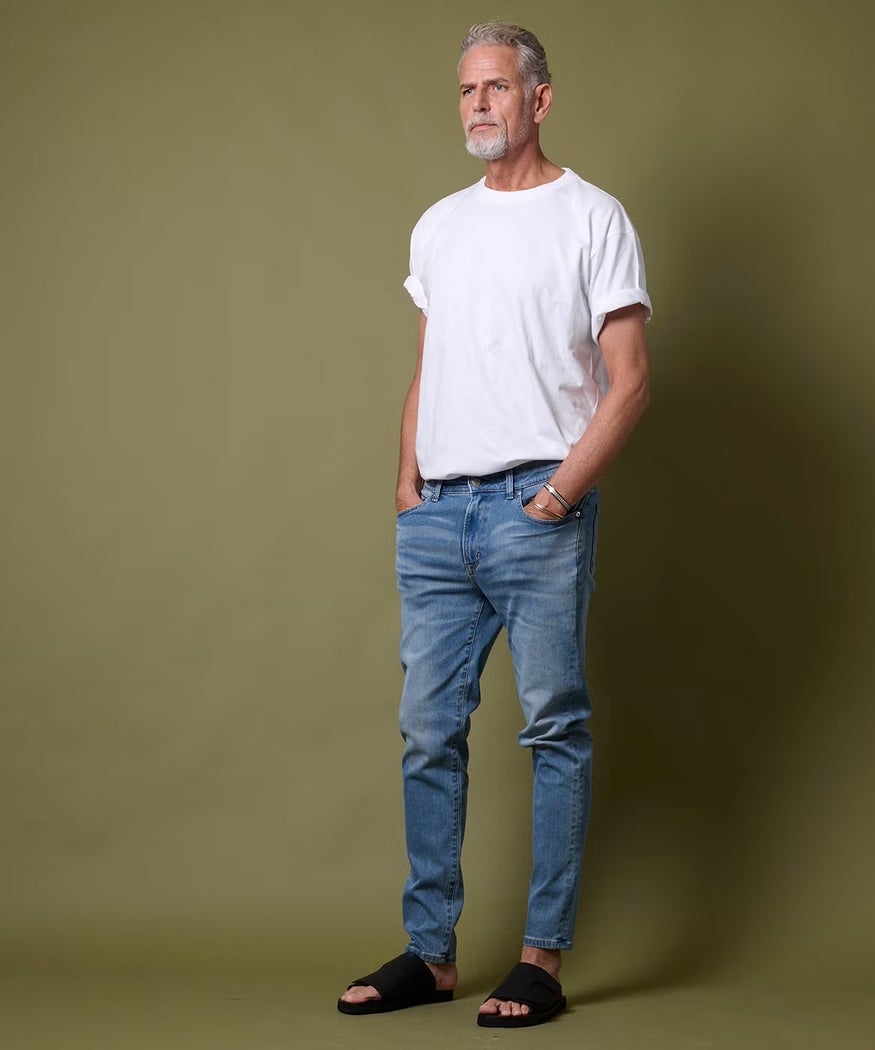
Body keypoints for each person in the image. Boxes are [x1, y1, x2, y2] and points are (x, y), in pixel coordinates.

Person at [338, 22, 652, 1029]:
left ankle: (540, 961)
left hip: (536, 507)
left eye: (497, 88)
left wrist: (557, 497)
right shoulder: (439, 225)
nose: (479, 104)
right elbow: (430, 366)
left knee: (554, 728)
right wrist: (406, 484)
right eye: (467, 90)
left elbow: (630, 381)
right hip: (437, 515)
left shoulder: (592, 216)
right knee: (428, 732)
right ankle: (430, 955)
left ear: (539, 100)